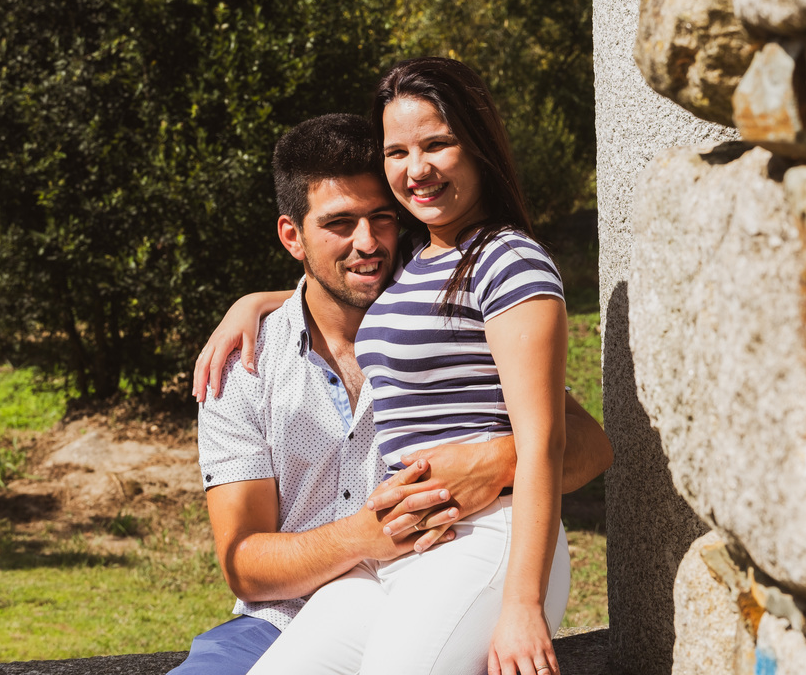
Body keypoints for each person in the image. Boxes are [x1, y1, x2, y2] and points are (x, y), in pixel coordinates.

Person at [176, 111, 612, 675]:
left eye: (381, 218)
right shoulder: (242, 367)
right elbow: (244, 564)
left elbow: (584, 442)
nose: (367, 244)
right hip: (282, 618)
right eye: (338, 224)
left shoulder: (440, 304)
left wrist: (492, 459)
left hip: (435, 578)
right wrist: (361, 537)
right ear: (292, 236)